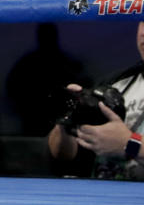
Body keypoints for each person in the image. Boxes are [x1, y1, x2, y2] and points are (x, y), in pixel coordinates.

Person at [48, 17, 144, 180]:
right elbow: (63, 155)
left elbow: (128, 144)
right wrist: (67, 122)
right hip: (102, 198)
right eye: (142, 21)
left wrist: (131, 145)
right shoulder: (115, 84)